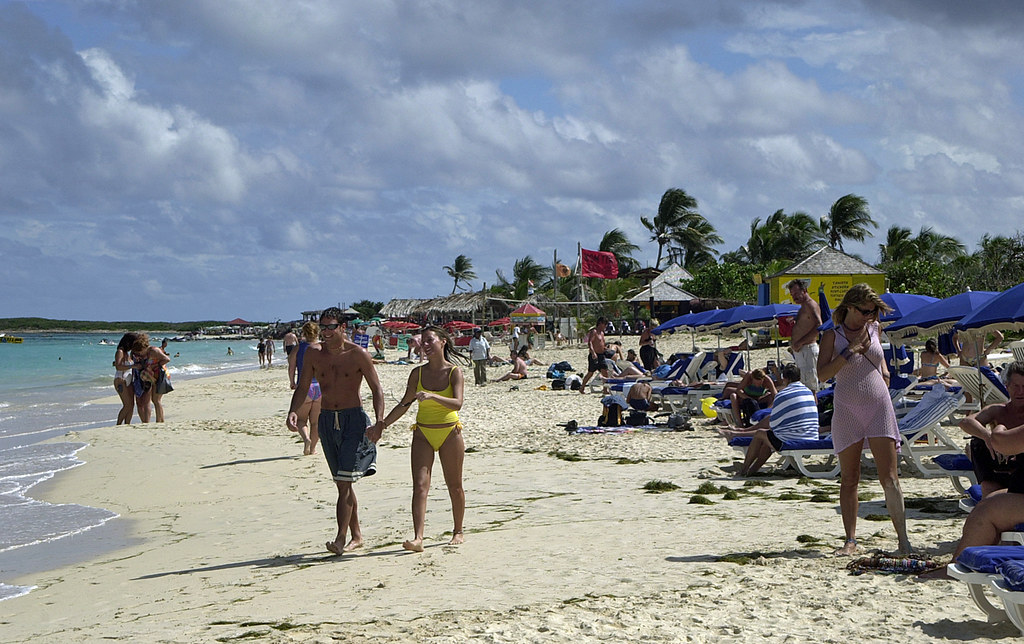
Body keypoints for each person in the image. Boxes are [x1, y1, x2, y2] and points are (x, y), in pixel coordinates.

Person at [818, 283, 911, 556]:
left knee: (890, 477)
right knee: (850, 478)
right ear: (849, 307)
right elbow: (822, 375)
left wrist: (884, 376)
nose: (870, 316)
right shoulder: (832, 337)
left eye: (873, 311)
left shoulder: (875, 328)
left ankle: (903, 540)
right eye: (866, 311)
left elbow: (880, 362)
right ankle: (851, 540)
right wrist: (850, 351)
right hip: (847, 409)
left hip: (878, 407)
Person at [287, 307, 385, 556]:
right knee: (344, 483)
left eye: (332, 327)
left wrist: (379, 422)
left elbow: (376, 390)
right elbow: (303, 386)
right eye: (323, 327)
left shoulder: (357, 354)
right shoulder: (313, 354)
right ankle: (357, 535)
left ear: (343, 327)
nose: (326, 332)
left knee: (344, 482)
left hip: (353, 421)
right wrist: (293, 411)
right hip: (327, 420)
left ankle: (341, 539)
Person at [921, 362, 1024, 579]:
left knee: (986, 510)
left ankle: (957, 567)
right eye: (1015, 386)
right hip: (1007, 475)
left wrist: (997, 430)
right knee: (989, 494)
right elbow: (967, 422)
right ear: (1007, 386)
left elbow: (1001, 440)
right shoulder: (1000, 409)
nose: (1020, 391)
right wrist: (987, 437)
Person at [373, 325, 470, 551]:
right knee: (419, 486)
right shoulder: (417, 373)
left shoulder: (454, 371)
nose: (425, 346)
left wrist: (432, 396)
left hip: (449, 432)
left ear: (443, 341)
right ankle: (418, 537)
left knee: (454, 486)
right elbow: (405, 404)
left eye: (429, 341)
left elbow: (458, 403)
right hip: (423, 433)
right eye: (422, 342)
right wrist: (383, 424)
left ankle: (458, 530)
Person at [722, 364, 820, 476]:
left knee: (761, 434)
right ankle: (752, 470)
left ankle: (744, 469)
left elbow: (773, 424)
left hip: (794, 438)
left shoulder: (783, 394)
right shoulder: (808, 392)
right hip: (812, 436)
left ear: (785, 378)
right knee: (767, 441)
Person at [288, 321, 323, 455]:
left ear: (303, 333)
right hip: (319, 387)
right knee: (316, 422)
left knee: (301, 419)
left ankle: (306, 439)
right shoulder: (321, 348)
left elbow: (291, 367)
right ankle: (313, 449)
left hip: (304, 387)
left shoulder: (298, 348)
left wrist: (292, 381)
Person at [787, 279, 822, 393]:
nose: (794, 297)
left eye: (796, 293)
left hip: (807, 349)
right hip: (802, 351)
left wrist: (800, 342)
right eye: (792, 294)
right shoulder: (803, 307)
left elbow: (819, 325)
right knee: (803, 384)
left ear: (805, 290)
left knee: (810, 387)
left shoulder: (810, 305)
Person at [132, 333, 171, 423]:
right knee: (155, 400)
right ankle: (160, 420)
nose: (139, 354)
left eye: (140, 352)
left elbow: (167, 359)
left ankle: (160, 421)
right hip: (154, 377)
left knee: (156, 400)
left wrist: (155, 366)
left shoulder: (154, 350)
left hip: (161, 375)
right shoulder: (146, 354)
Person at [112, 333, 137, 425]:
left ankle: (127, 424)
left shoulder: (127, 353)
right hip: (121, 380)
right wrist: (134, 366)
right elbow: (118, 366)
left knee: (131, 405)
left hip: (128, 379)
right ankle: (118, 424)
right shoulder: (120, 352)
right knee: (127, 405)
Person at [580, 317, 610, 394]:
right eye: (604, 324)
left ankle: (605, 389)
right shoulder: (594, 332)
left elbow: (601, 343)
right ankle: (582, 387)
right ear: (600, 323)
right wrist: (593, 352)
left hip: (601, 355)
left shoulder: (602, 333)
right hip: (594, 355)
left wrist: (605, 348)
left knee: (605, 372)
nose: (605, 326)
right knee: (590, 372)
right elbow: (590, 342)